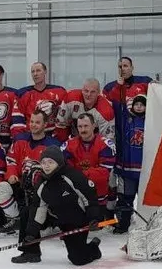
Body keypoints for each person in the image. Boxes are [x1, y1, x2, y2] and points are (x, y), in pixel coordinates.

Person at [13, 147, 103, 266]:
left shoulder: (73, 176)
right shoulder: (41, 182)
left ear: (59, 162)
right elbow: (38, 208)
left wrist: (94, 218)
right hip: (54, 215)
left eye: (50, 162)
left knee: (78, 259)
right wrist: (31, 234)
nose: (46, 166)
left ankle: (94, 248)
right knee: (27, 211)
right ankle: (30, 252)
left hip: (74, 220)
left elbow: (90, 200)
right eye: (43, 162)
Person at [0, 111, 62, 234]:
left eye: (37, 122)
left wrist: (40, 180)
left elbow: (58, 170)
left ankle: (47, 221)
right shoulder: (19, 139)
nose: (33, 125)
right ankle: (16, 219)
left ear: (45, 124)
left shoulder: (53, 145)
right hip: (21, 183)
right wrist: (12, 174)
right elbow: (11, 160)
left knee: (41, 230)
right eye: (31, 122)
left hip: (42, 188)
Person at [63, 113, 116, 213]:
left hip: (99, 197)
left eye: (86, 126)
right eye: (80, 126)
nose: (83, 130)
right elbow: (66, 171)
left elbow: (103, 173)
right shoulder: (69, 145)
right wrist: (90, 173)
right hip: (77, 196)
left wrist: (78, 175)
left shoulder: (105, 145)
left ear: (94, 125)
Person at [110, 94, 147, 234]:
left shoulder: (151, 121)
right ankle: (123, 224)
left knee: (145, 200)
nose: (139, 107)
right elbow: (118, 105)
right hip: (127, 168)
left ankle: (147, 224)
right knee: (126, 198)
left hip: (144, 169)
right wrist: (120, 87)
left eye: (142, 104)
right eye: (136, 104)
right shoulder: (126, 120)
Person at [55, 78, 115, 142]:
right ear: (82, 90)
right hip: (73, 141)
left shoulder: (106, 112)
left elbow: (108, 141)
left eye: (93, 92)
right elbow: (60, 124)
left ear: (98, 93)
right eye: (86, 91)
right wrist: (64, 144)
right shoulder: (70, 99)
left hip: (95, 144)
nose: (88, 95)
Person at [13, 62, 66, 135]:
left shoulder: (59, 91)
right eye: (33, 71)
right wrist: (21, 138)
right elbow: (18, 120)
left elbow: (64, 117)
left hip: (53, 136)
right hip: (31, 135)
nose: (35, 74)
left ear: (45, 72)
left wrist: (60, 136)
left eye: (38, 70)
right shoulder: (23, 94)